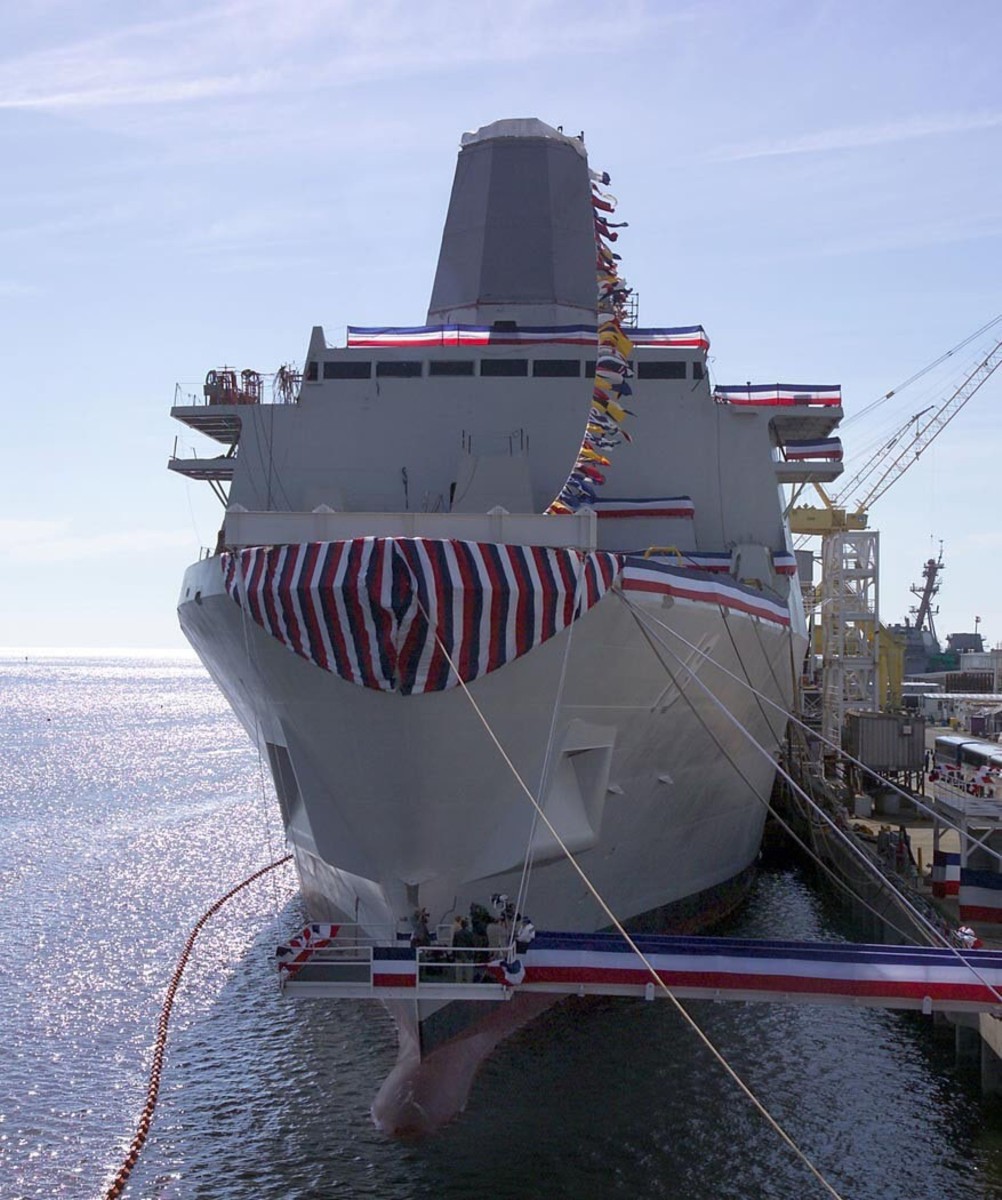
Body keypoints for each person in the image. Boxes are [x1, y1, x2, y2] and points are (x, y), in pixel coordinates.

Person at [452, 916, 477, 983]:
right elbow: (473, 943)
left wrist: (453, 953)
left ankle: (458, 982)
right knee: (469, 970)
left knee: (459, 970)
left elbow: (454, 944)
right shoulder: (470, 934)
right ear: (467, 925)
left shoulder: (457, 933)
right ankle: (469, 982)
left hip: (459, 954)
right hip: (468, 954)